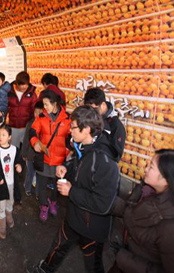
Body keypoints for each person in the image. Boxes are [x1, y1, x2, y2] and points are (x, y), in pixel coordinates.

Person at [28, 105, 120, 273]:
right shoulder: (83, 147)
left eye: (73, 127)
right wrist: (66, 168)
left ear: (87, 130)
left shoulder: (105, 161)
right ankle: (43, 269)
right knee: (57, 247)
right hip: (73, 217)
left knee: (93, 266)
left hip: (92, 227)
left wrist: (71, 192)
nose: (70, 131)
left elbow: (103, 204)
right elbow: (81, 172)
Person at [108, 149, 174, 273]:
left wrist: (126, 259)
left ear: (167, 179)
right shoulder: (153, 195)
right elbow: (132, 212)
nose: (145, 169)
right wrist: (104, 202)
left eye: (151, 167)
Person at [30, 90, 71, 221]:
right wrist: (35, 142)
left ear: (55, 104)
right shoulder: (41, 117)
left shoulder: (67, 118)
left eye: (47, 104)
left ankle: (53, 202)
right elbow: (32, 131)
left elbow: (71, 138)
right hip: (44, 158)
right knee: (41, 185)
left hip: (59, 161)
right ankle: (43, 206)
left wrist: (66, 152)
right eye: (44, 104)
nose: (45, 107)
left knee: (56, 185)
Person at [0, 124, 24, 239]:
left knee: (10, 202)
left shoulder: (14, 150)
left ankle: (9, 217)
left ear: (9, 137)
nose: (0, 137)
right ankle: (2, 227)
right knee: (1, 206)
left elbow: (19, 161)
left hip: (12, 183)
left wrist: (19, 166)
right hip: (1, 184)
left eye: (4, 135)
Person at [84, 87, 126, 162]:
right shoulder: (90, 117)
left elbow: (116, 156)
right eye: (88, 109)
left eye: (94, 109)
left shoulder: (116, 126)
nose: (91, 113)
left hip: (101, 167)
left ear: (103, 105)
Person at [8, 71, 38, 148]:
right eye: (22, 85)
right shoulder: (9, 92)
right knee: (14, 149)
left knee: (25, 150)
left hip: (26, 127)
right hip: (13, 127)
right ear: (17, 84)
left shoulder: (32, 94)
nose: (24, 87)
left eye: (26, 85)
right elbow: (6, 108)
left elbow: (34, 111)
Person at [22, 101, 44, 197]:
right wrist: (24, 154)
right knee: (30, 172)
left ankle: (38, 193)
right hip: (30, 154)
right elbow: (26, 139)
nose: (37, 114)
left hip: (40, 155)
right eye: (36, 112)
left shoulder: (45, 124)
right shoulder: (30, 124)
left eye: (40, 112)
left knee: (39, 175)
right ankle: (27, 188)